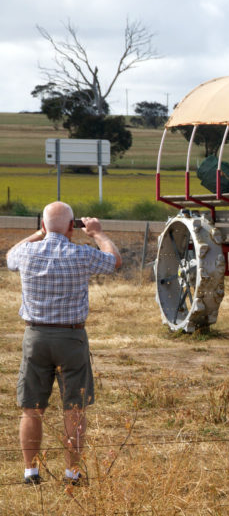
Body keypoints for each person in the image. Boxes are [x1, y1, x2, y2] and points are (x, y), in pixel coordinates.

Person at [6, 201, 122, 486]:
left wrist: (38, 234)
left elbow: (10, 256)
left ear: (44, 225)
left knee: (31, 407)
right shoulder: (81, 254)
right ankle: (72, 473)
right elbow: (114, 261)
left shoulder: (27, 252)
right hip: (71, 337)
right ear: (73, 227)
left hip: (36, 337)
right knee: (74, 408)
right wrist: (97, 234)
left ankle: (31, 472)